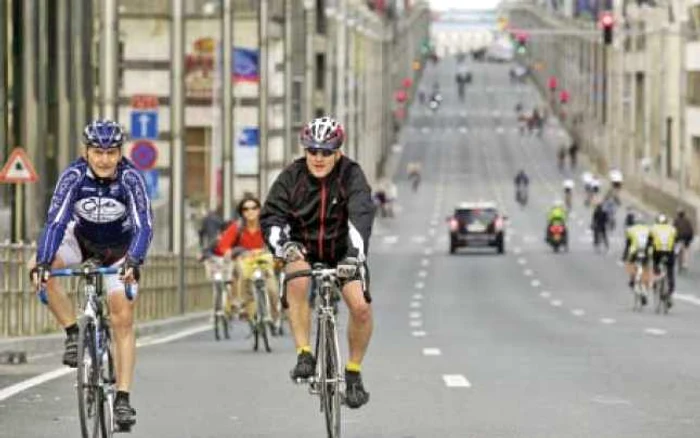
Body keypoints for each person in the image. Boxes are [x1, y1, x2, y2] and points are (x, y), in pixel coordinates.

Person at [29, 119, 153, 429]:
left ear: (119, 153)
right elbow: (55, 222)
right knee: (36, 267)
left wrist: (134, 261)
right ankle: (73, 334)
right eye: (98, 152)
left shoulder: (131, 179)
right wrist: (44, 262)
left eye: (111, 153)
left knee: (122, 316)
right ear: (86, 152)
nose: (104, 159)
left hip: (119, 250)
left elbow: (144, 225)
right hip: (81, 241)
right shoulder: (72, 177)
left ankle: (122, 400)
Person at [261, 116, 375, 409]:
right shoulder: (292, 176)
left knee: (360, 307)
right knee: (297, 278)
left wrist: (353, 255)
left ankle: (352, 373)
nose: (318, 158)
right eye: (312, 151)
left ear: (338, 152)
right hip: (303, 248)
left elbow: (361, 216)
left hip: (342, 250)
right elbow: (272, 216)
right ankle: (304, 353)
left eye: (326, 152)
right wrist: (283, 245)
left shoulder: (351, 175)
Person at [212, 196, 280, 331]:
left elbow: (276, 242)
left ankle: (274, 316)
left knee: (272, 288)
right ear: (242, 212)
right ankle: (246, 307)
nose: (250, 211)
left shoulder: (267, 226)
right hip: (244, 260)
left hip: (264, 259)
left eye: (254, 208)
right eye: (246, 209)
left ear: (259, 210)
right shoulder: (237, 227)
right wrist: (230, 252)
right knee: (243, 274)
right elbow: (223, 245)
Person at [647, 214, 678, 307]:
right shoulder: (672, 229)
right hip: (669, 252)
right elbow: (676, 240)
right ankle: (670, 290)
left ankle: (656, 283)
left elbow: (649, 241)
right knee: (670, 271)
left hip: (657, 252)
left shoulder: (653, 228)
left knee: (655, 266)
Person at [622, 214, 651, 304]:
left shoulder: (630, 230)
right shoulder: (648, 230)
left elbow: (628, 244)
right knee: (645, 268)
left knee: (631, 264)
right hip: (645, 251)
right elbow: (651, 242)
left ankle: (632, 280)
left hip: (635, 251)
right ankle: (645, 291)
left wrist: (624, 255)